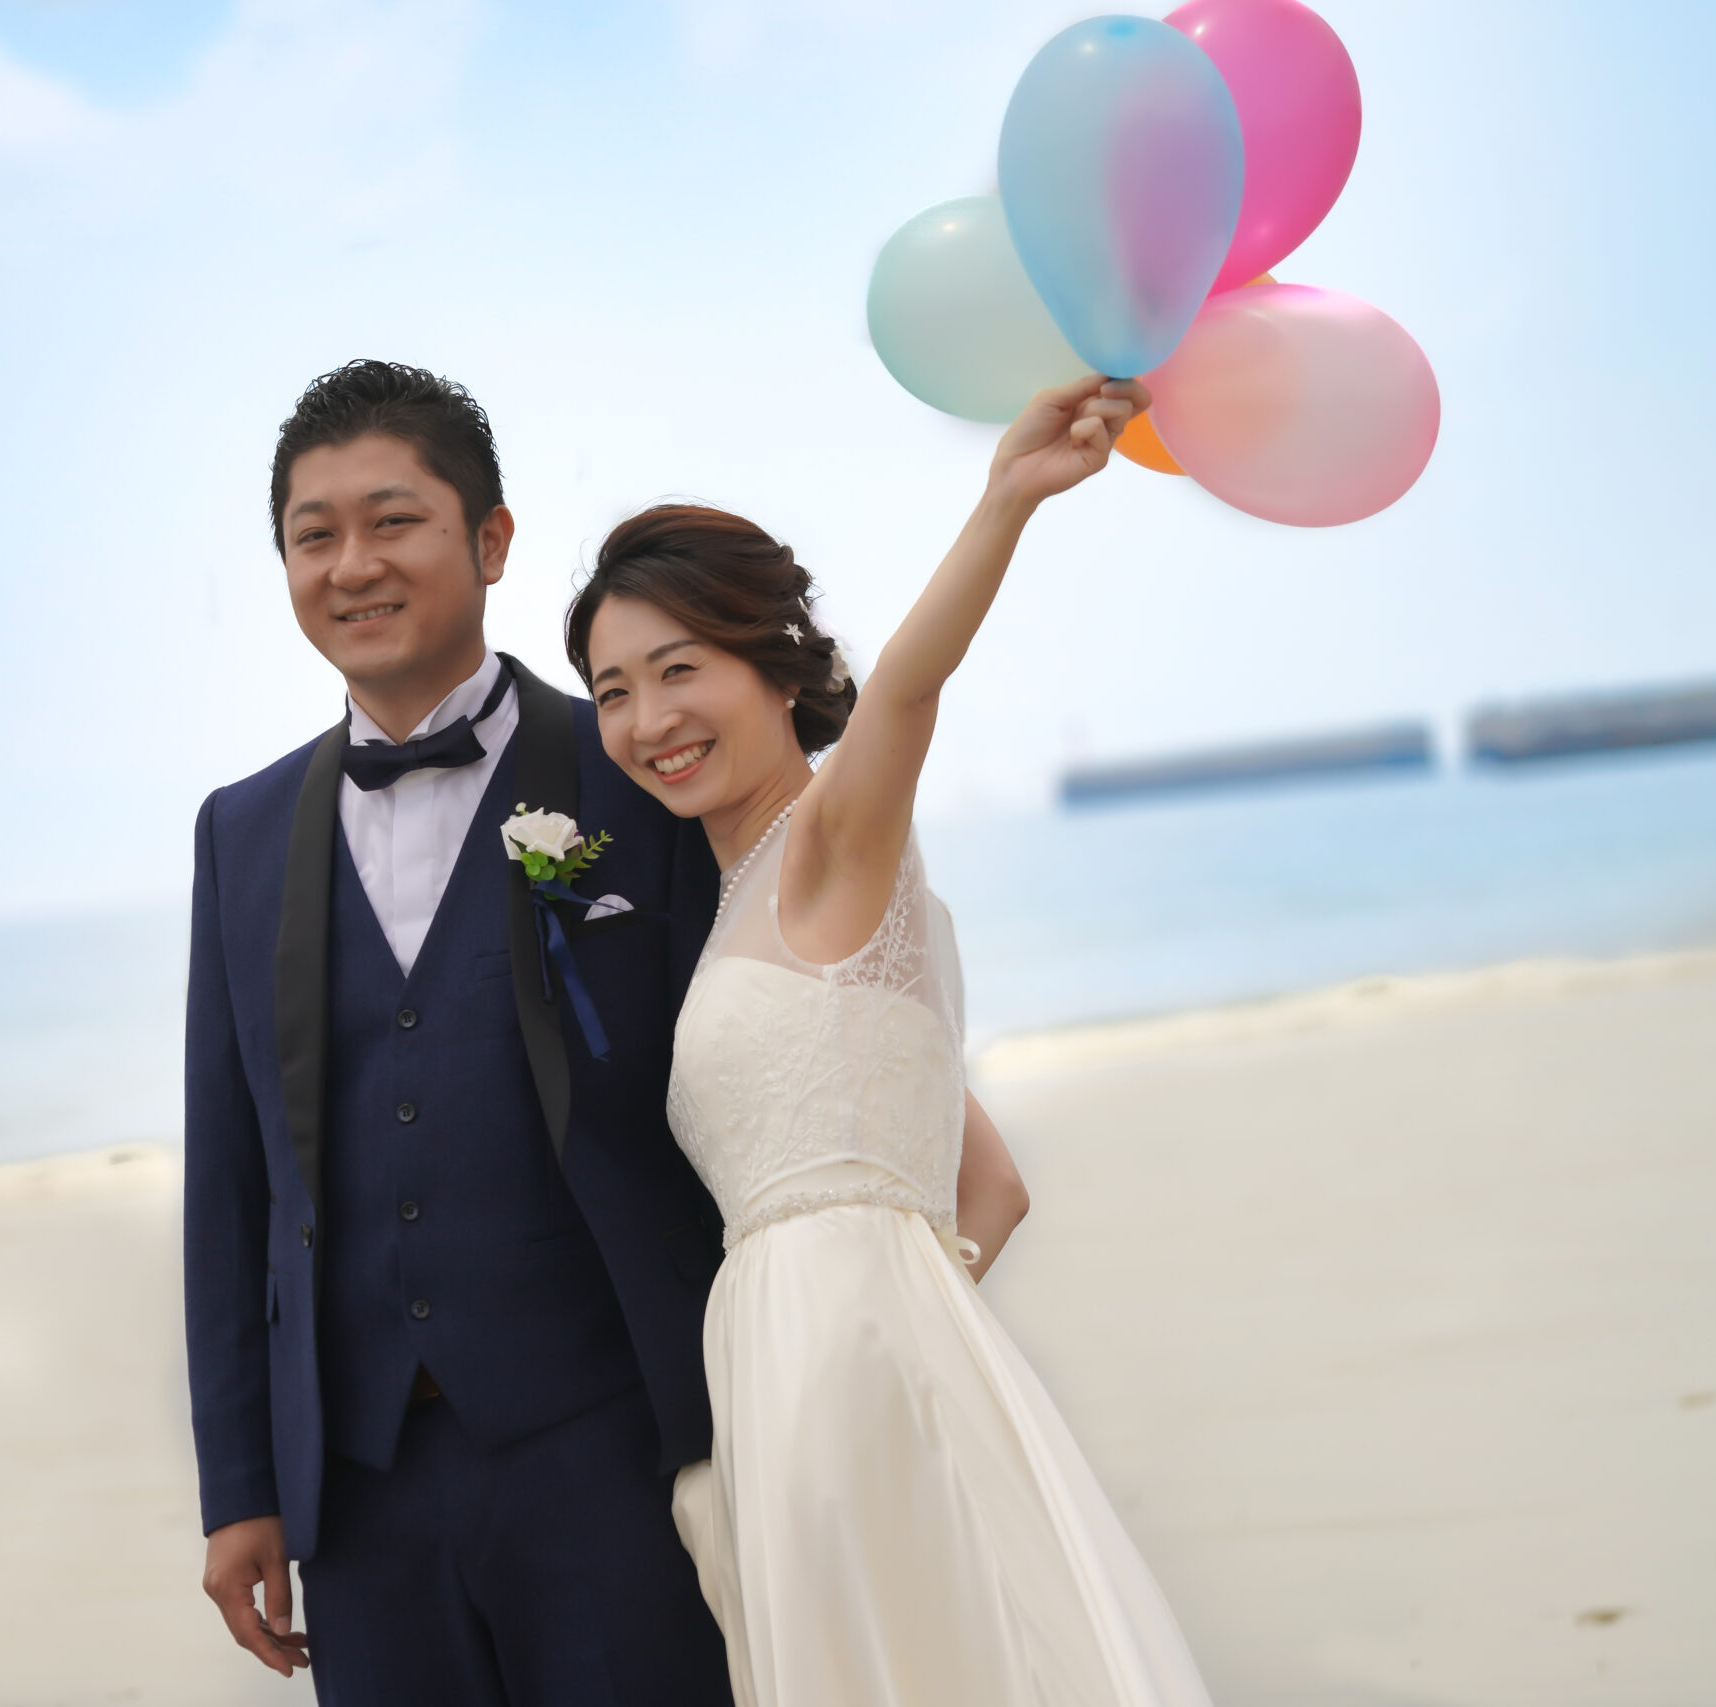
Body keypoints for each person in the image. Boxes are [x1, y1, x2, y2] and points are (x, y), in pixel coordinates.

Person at [182, 359, 1030, 1704]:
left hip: (617, 1455)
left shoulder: (646, 772)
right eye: (313, 535)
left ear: (490, 539)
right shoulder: (239, 832)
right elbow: (232, 1180)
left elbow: (821, 1061)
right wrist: (240, 1486)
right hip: (358, 1493)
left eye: (394, 521)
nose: (353, 565)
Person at [569, 374, 1216, 1706]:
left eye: (681, 671)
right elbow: (995, 1185)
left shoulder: (831, 843)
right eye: (612, 690)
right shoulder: (745, 905)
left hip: (833, 1365)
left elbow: (908, 692)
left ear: (773, 665)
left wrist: (1007, 499)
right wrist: (916, 1320)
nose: (647, 722)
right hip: (816, 1367)